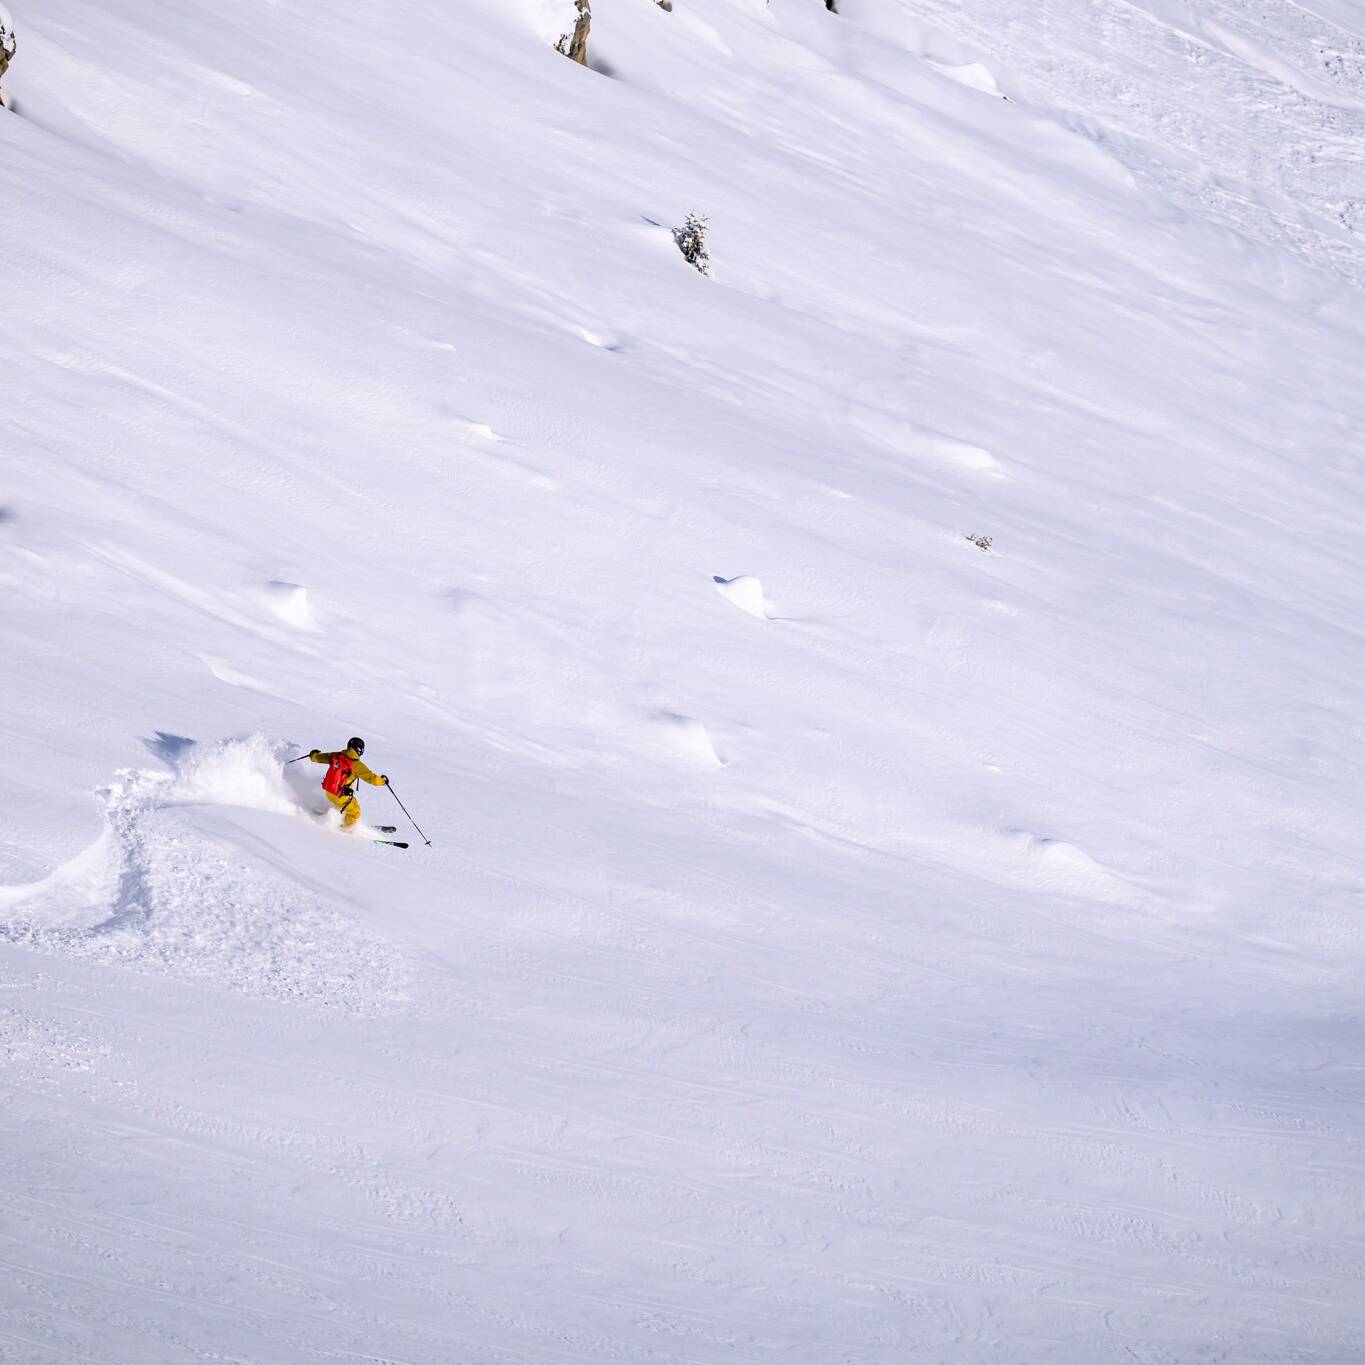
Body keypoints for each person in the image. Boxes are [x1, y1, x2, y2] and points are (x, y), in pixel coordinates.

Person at [308, 737, 387, 830]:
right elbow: (372, 779)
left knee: (352, 801)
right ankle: (345, 830)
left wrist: (313, 754)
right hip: (340, 795)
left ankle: (334, 817)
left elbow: (317, 758)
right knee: (355, 812)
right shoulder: (356, 765)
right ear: (359, 750)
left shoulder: (337, 755)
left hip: (329, 791)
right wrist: (383, 781)